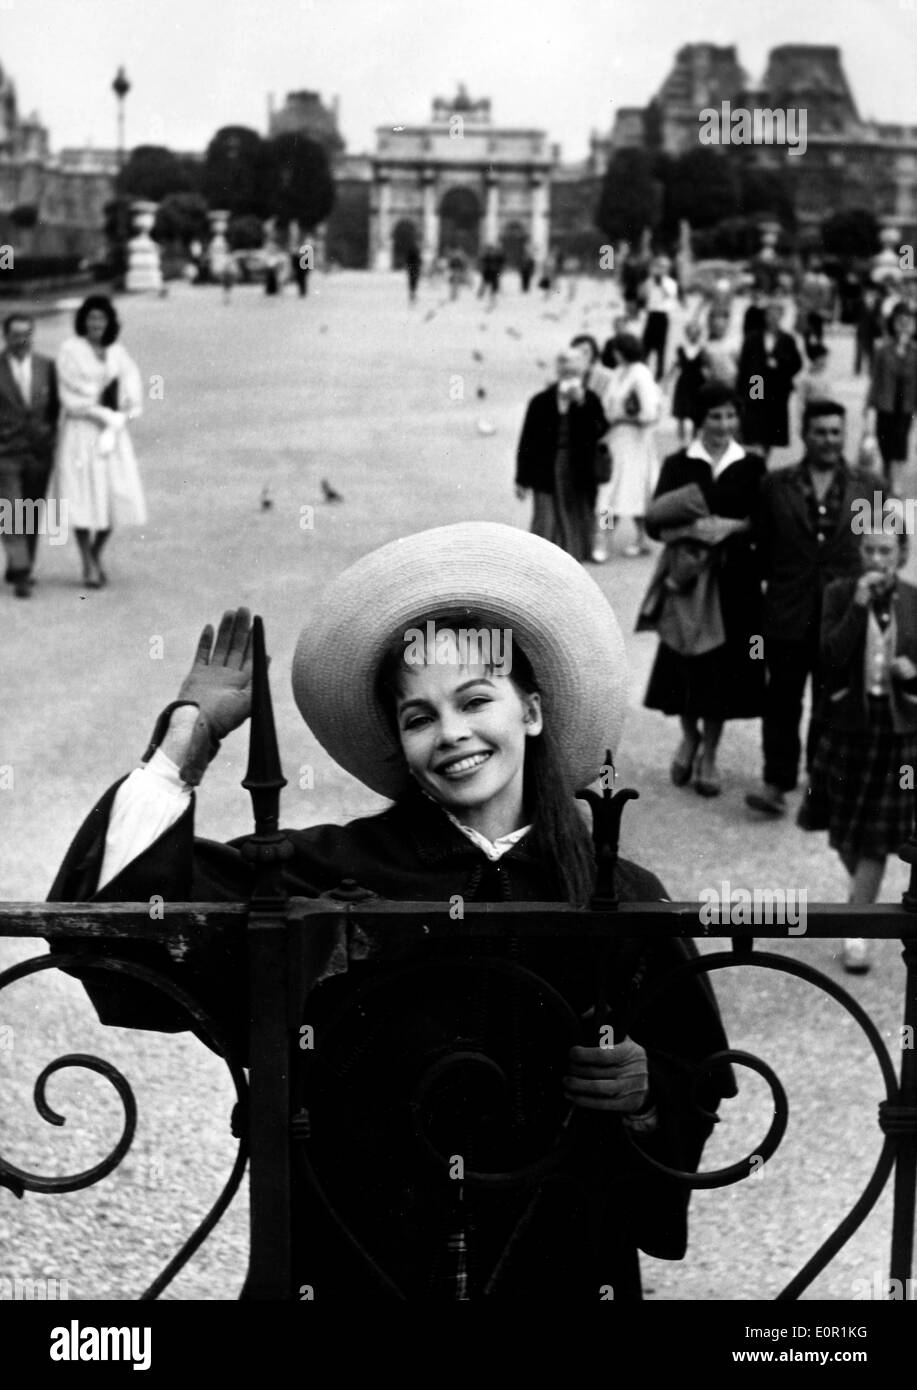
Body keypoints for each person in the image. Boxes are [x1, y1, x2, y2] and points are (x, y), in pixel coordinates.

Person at [48, 523, 736, 1301]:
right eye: (418, 718)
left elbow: (697, 1084)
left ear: (533, 711)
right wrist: (186, 739)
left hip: (557, 1259)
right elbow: (121, 930)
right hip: (368, 1258)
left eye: (475, 700)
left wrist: (646, 1097)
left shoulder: (616, 897)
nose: (452, 734)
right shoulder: (324, 874)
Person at [798, 503, 917, 974]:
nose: (876, 559)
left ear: (901, 554)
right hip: (847, 728)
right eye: (868, 550)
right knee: (842, 834)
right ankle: (861, 900)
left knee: (873, 842)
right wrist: (859, 607)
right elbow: (828, 657)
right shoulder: (839, 592)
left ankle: (858, 930)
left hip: (897, 733)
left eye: (885, 550)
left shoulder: (914, 600)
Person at [746, 402, 876, 818]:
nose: (828, 440)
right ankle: (776, 783)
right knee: (781, 699)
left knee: (832, 699)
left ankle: (824, 783)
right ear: (803, 434)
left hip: (841, 614)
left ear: (845, 435)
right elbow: (762, 549)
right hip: (788, 609)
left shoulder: (868, 487)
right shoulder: (776, 484)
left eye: (836, 432)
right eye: (820, 432)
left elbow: (885, 545)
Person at [642, 385, 765, 796]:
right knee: (685, 666)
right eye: (715, 417)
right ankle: (688, 735)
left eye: (731, 416)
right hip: (689, 582)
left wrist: (736, 527)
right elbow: (655, 522)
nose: (724, 425)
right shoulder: (680, 463)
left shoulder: (751, 465)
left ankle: (710, 752)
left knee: (722, 672)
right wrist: (695, 531)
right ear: (700, 419)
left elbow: (764, 523)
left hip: (735, 583)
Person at [52, 295, 145, 589]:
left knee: (115, 493)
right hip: (82, 431)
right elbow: (71, 395)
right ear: (83, 321)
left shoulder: (118, 352)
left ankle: (96, 551)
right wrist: (98, 409)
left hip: (112, 434)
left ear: (109, 322)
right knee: (81, 494)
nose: (96, 324)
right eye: (91, 318)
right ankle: (86, 562)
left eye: (101, 319)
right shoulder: (70, 350)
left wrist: (123, 411)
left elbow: (131, 387)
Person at [515, 348, 608, 564]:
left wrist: (582, 403)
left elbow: (600, 429)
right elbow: (527, 441)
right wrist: (521, 478)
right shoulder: (540, 401)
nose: (569, 378)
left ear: (581, 375)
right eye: (565, 373)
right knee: (546, 514)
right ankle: (544, 558)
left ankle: (574, 556)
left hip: (578, 466)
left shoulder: (590, 399)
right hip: (546, 465)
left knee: (577, 509)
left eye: (574, 374)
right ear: (558, 373)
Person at [0, 312, 59, 598]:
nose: (21, 340)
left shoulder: (47, 366)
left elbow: (56, 408)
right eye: (15, 335)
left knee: (32, 512)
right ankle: (22, 572)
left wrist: (50, 438)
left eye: (26, 334)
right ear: (5, 336)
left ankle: (20, 562)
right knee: (10, 510)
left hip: (39, 452)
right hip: (5, 452)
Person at [596, 334, 659, 558]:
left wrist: (624, 418)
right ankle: (603, 539)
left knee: (633, 492)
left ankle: (640, 538)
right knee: (609, 493)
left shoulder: (640, 373)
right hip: (616, 439)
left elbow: (650, 412)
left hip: (635, 440)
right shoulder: (619, 373)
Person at [737, 300, 803, 462]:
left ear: (781, 316)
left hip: (777, 388)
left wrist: (780, 364)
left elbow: (796, 363)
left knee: (772, 425)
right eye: (769, 314)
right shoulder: (753, 337)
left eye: (776, 314)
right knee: (755, 420)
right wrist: (742, 389)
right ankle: (755, 455)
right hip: (757, 382)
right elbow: (744, 364)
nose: (773, 318)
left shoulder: (787, 339)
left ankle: (764, 456)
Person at [862, 301, 917, 494]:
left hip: (906, 406)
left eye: (908, 322)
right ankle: (886, 478)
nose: (904, 325)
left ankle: (897, 482)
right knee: (885, 445)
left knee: (900, 443)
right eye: (900, 321)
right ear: (893, 323)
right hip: (885, 404)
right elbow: (875, 380)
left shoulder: (915, 351)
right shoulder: (882, 349)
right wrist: (867, 408)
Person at [641, 257, 679, 381]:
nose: (660, 269)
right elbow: (643, 295)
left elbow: (669, 295)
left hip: (662, 317)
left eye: (663, 267)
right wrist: (651, 281)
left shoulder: (671, 283)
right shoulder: (649, 281)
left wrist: (660, 283)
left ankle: (659, 376)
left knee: (661, 349)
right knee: (645, 347)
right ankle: (643, 372)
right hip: (651, 315)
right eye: (659, 266)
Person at [670, 320, 706, 444]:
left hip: (698, 383)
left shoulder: (702, 350)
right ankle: (681, 441)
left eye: (696, 333)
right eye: (691, 333)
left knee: (696, 414)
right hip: (684, 382)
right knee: (681, 413)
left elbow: (706, 367)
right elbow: (675, 366)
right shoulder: (681, 349)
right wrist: (666, 381)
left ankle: (694, 440)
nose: (693, 335)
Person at [701, 308, 738, 389]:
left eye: (721, 325)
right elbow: (705, 367)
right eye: (715, 325)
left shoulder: (734, 344)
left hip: (732, 384)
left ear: (727, 324)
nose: (718, 328)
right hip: (714, 386)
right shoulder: (706, 346)